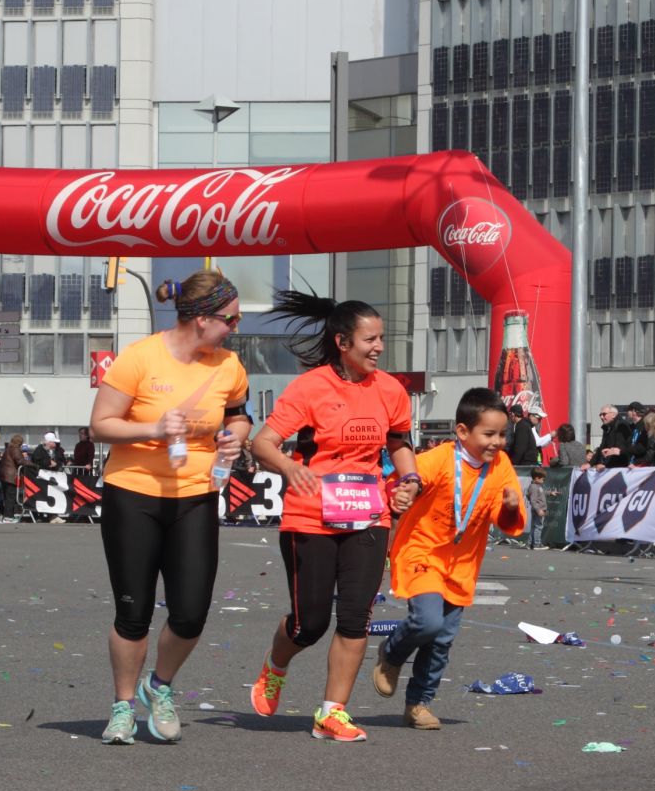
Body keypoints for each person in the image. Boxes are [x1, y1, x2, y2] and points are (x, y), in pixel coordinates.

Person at [247, 291, 418, 743]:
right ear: (342, 343)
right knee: (310, 623)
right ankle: (275, 666)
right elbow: (262, 443)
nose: (379, 347)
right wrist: (290, 469)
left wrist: (410, 480)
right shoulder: (310, 388)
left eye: (381, 338)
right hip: (310, 517)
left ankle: (331, 713)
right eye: (370, 339)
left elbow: (399, 444)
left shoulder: (390, 390)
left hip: (368, 516)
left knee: (356, 617)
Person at [89, 270, 250, 744]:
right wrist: (155, 429)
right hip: (133, 493)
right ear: (202, 319)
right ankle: (122, 707)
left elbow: (240, 416)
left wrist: (234, 438)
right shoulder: (141, 358)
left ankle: (159, 686)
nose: (235, 327)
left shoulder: (229, 365)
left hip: (196, 495)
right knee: (133, 613)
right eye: (230, 319)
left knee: (191, 612)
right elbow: (101, 425)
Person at [372, 387, 524, 730]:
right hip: (422, 551)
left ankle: (418, 704)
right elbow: (408, 478)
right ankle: (392, 653)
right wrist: (407, 490)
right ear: (463, 432)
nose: (497, 442)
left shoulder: (501, 466)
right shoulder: (439, 458)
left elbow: (509, 520)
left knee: (442, 639)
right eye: (489, 434)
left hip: (461, 564)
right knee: (428, 622)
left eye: (502, 434)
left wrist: (511, 507)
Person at [588, 405, 632, 469]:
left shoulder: (621, 426)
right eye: (600, 415)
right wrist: (590, 463)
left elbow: (619, 449)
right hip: (612, 467)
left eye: (604, 414)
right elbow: (602, 447)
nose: (601, 417)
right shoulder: (607, 428)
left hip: (620, 467)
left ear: (613, 415)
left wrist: (606, 465)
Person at [0, 433, 26, 520]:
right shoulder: (15, 449)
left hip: (4, 475)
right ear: (20, 442)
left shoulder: (8, 449)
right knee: (11, 496)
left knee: (7, 496)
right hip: (11, 476)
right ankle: (8, 516)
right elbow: (20, 461)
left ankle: (8, 515)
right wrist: (33, 465)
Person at [526, 467, 548, 550]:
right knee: (538, 527)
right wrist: (538, 510)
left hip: (537, 509)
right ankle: (537, 544)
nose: (543, 481)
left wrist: (550, 493)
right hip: (538, 510)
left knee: (534, 527)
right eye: (542, 479)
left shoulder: (537, 486)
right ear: (536, 478)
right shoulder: (534, 487)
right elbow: (533, 500)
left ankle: (530, 544)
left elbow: (542, 493)